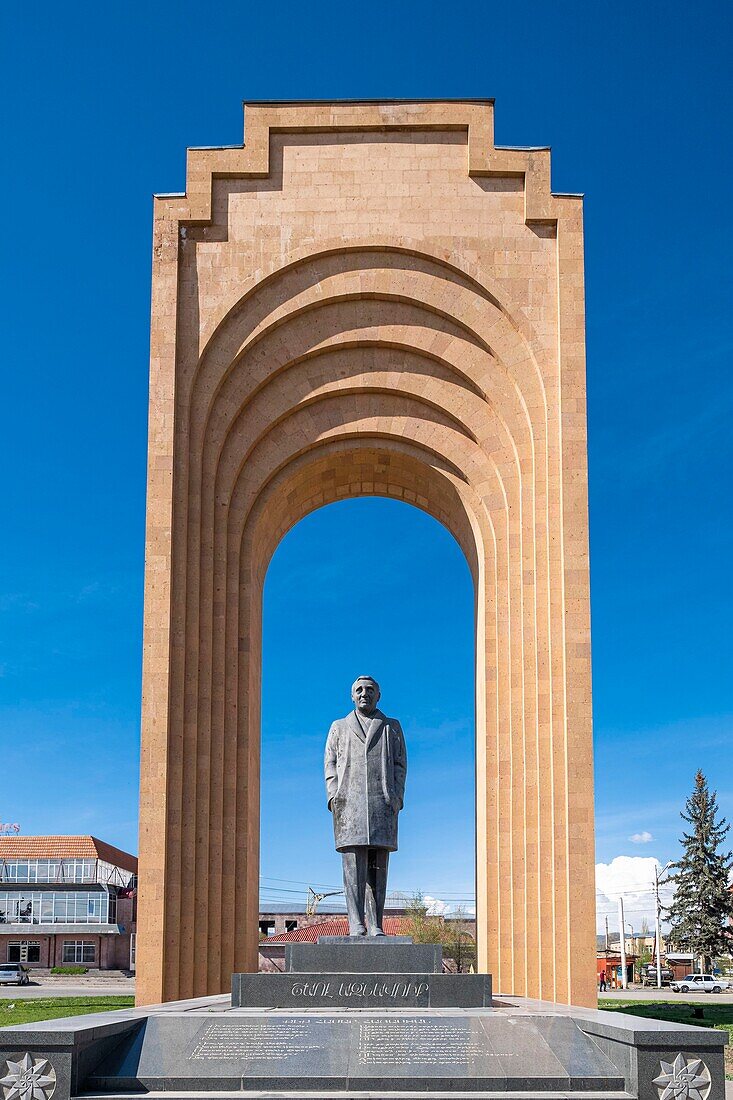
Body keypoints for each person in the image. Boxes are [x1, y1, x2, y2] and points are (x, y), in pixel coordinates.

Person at [324, 676, 407, 936]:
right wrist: (333, 796)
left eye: (370, 690)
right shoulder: (339, 726)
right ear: (351, 696)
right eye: (359, 690)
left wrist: (396, 796)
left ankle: (376, 924)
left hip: (382, 804)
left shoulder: (391, 726)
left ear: (378, 695)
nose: (364, 694)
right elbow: (330, 763)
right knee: (353, 866)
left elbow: (400, 765)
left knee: (378, 867)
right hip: (349, 805)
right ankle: (355, 923)